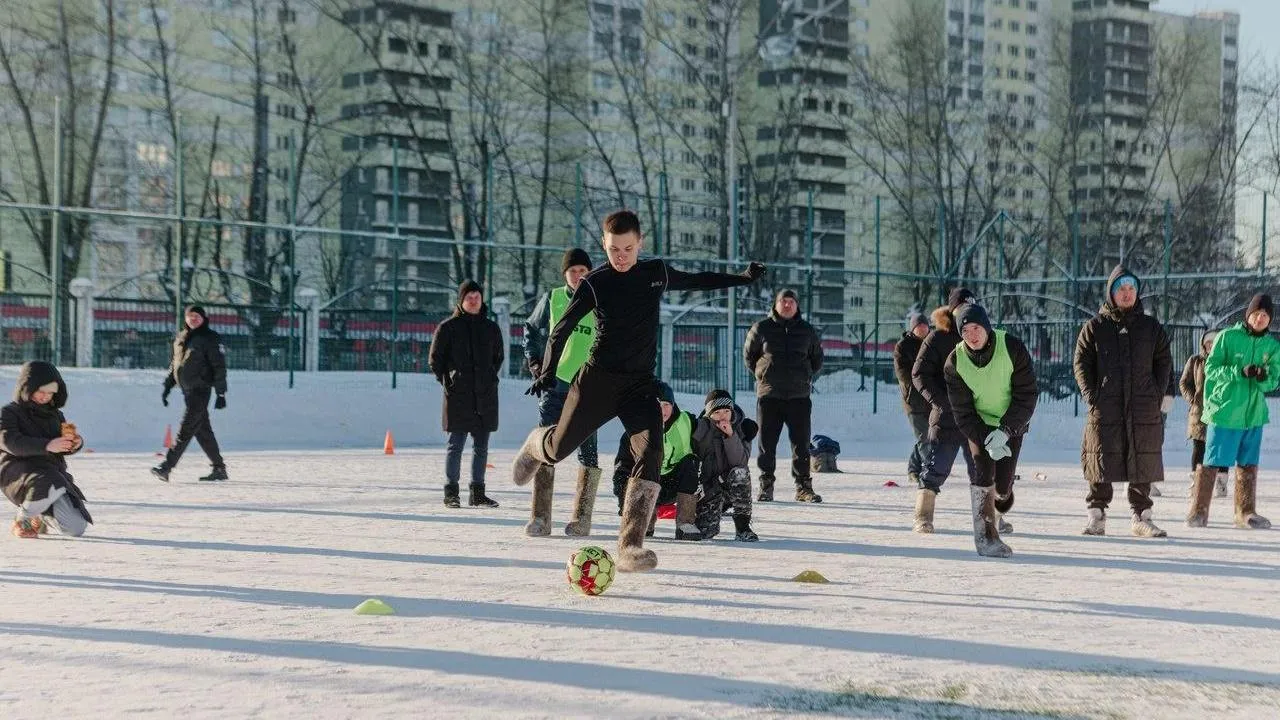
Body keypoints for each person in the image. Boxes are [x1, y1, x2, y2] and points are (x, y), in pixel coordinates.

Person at [512, 209, 765, 572]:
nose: (621, 256)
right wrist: (548, 371)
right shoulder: (594, 283)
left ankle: (630, 546)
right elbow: (561, 329)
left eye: (628, 249)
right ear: (604, 244)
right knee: (558, 450)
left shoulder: (654, 273)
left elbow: (698, 280)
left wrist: (741, 278)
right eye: (614, 249)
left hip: (638, 384)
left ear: (639, 243)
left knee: (652, 449)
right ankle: (538, 443)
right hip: (596, 382)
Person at [1073, 266, 1171, 538]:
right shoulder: (1094, 328)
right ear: (1111, 293)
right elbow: (1081, 363)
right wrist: (1093, 396)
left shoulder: (1151, 328)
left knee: (1142, 457)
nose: (1127, 294)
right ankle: (1097, 515)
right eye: (1121, 289)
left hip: (1142, 405)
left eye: (1131, 289)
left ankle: (1142, 515)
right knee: (1101, 456)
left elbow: (1163, 361)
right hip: (1106, 405)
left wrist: (1155, 392)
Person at [943, 304, 1038, 557]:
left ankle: (1001, 501)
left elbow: (1027, 395)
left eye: (976, 328)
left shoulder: (1012, 347)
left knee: (1003, 486)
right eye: (965, 331)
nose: (972, 335)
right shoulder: (955, 361)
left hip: (1011, 423)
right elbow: (962, 412)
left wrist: (1006, 430)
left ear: (986, 326)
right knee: (982, 473)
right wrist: (986, 436)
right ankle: (985, 538)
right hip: (980, 424)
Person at [521, 248, 602, 536]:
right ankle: (540, 517)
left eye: (584, 271)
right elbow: (530, 328)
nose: (579, 276)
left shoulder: (600, 299)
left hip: (589, 389)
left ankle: (582, 517)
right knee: (547, 447)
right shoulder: (553, 298)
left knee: (588, 452)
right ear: (565, 274)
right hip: (555, 385)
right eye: (573, 271)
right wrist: (535, 362)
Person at [1189, 294, 1279, 529]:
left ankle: (1245, 513)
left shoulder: (1271, 346)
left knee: (1248, 463)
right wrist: (1240, 371)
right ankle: (1198, 511)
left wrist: (1263, 377)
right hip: (1225, 412)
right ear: (1248, 314)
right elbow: (1211, 368)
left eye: (1265, 316)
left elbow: (1273, 381)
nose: (1260, 319)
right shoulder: (1228, 337)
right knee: (1212, 461)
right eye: (1256, 314)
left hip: (1253, 415)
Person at [910, 288, 985, 534]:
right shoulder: (938, 338)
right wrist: (939, 401)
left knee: (983, 469)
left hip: (976, 416)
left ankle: (987, 518)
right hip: (947, 417)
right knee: (936, 466)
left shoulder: (982, 336)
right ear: (951, 309)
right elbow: (919, 373)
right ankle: (923, 516)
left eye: (970, 306)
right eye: (961, 306)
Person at [743, 289, 824, 503]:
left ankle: (803, 487)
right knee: (767, 443)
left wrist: (803, 376)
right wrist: (764, 376)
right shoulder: (761, 328)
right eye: (783, 301)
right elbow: (749, 357)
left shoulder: (807, 330)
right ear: (776, 304)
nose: (787, 305)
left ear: (797, 305)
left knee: (801, 443)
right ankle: (766, 485)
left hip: (799, 396)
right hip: (770, 395)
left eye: (791, 301)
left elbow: (817, 359)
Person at [428, 280, 503, 509]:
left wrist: (488, 378)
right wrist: (449, 380)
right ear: (461, 301)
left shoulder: (491, 328)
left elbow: (497, 358)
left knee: (481, 447)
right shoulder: (448, 328)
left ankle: (477, 493)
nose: (473, 300)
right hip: (458, 396)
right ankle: (451, 493)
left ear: (482, 300)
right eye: (468, 297)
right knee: (455, 445)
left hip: (485, 396)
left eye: (476, 297)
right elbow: (435, 360)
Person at [1, 361, 92, 538]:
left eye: (50, 393)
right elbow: (10, 441)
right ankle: (23, 520)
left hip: (50, 473)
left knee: (76, 527)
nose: (45, 397)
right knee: (48, 480)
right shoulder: (9, 412)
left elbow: (61, 445)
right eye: (41, 391)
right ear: (27, 387)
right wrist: (47, 445)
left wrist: (74, 443)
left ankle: (41, 516)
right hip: (18, 470)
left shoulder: (55, 415)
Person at [610, 382, 702, 540]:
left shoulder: (687, 422)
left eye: (666, 404)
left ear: (673, 405)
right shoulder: (634, 432)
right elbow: (622, 469)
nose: (662, 410)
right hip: (647, 486)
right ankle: (643, 522)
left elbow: (711, 426)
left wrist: (739, 424)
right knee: (642, 466)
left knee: (691, 461)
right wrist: (623, 502)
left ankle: (685, 524)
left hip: (676, 484)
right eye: (657, 405)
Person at [152, 305, 228, 482]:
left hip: (201, 390)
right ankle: (219, 468)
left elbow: (219, 366)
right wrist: (167, 386)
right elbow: (176, 364)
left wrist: (221, 393)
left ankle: (166, 467)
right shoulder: (181, 337)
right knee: (202, 431)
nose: (193, 319)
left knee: (185, 431)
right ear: (185, 318)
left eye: (197, 316)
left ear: (203, 318)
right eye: (190, 316)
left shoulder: (210, 338)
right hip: (187, 391)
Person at [692, 389, 759, 542]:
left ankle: (743, 527)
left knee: (740, 472)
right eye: (717, 412)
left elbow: (740, 463)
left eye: (726, 411)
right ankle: (714, 511)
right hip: (708, 489)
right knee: (706, 533)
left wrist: (730, 436)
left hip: (730, 486)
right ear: (709, 414)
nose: (722, 416)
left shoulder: (743, 429)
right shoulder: (700, 430)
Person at [1179, 329, 1228, 498]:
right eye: (1208, 342)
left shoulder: (1224, 361)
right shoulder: (1195, 361)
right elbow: (1184, 382)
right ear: (1203, 344)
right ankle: (1196, 481)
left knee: (1220, 447)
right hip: (1198, 412)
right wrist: (1192, 399)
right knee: (1198, 447)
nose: (1211, 345)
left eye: (1214, 342)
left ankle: (1221, 481)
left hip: (1219, 412)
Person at [893, 312, 931, 486]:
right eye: (918, 326)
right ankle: (930, 470)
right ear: (912, 328)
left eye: (924, 325)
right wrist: (922, 382)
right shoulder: (903, 346)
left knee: (929, 436)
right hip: (913, 401)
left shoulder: (933, 343)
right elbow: (902, 373)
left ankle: (912, 470)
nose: (922, 328)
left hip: (932, 399)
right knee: (924, 437)